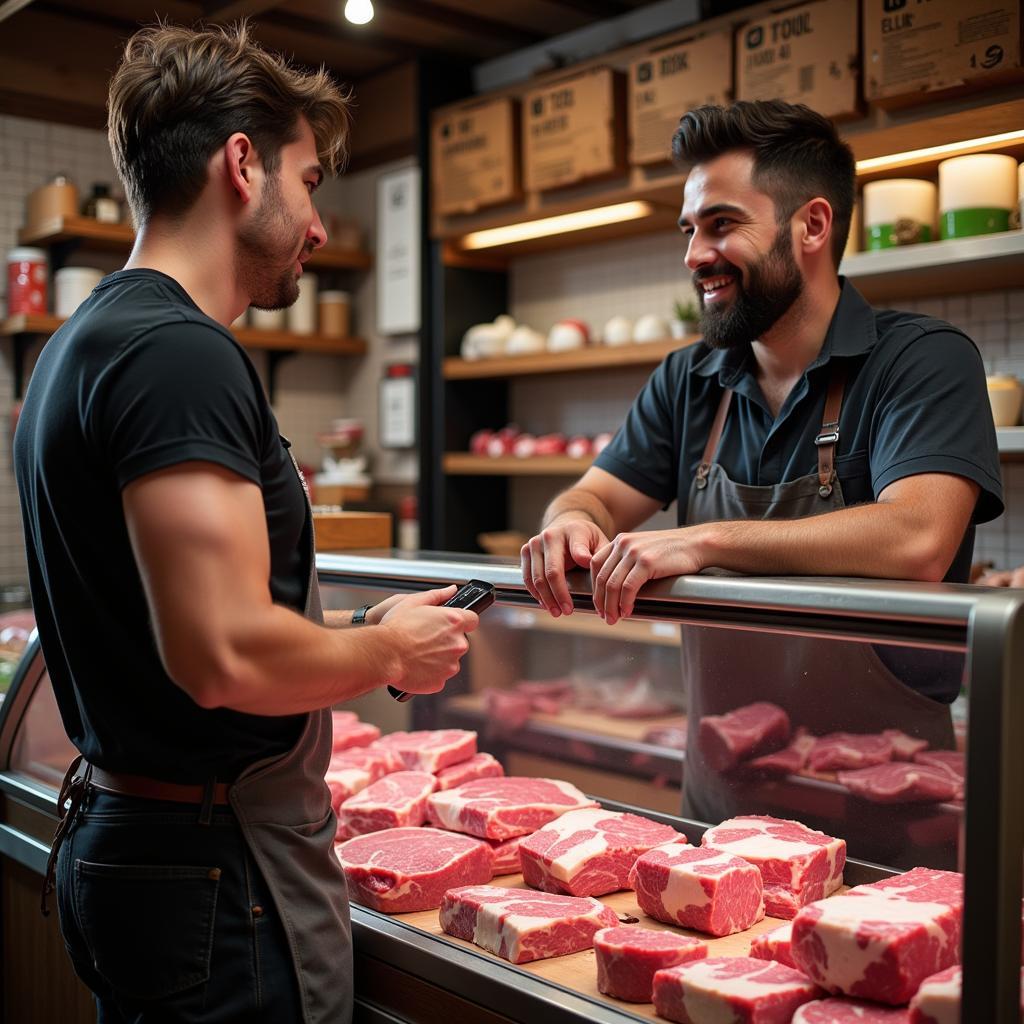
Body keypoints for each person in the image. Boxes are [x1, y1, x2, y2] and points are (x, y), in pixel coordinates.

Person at [14, 22, 476, 1024]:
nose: (317, 223)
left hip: (142, 845)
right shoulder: (179, 354)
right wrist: (384, 644)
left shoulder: (83, 342)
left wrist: (358, 644)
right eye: (309, 181)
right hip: (213, 878)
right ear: (240, 165)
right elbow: (220, 654)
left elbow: (180, 630)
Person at [521, 101, 1002, 846]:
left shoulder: (923, 361)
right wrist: (570, 525)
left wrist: (702, 539)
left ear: (812, 226)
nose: (693, 255)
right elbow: (594, 494)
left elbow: (919, 537)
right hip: (719, 818)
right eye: (690, 231)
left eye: (720, 224)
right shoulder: (690, 379)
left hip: (886, 827)